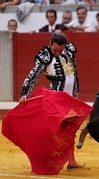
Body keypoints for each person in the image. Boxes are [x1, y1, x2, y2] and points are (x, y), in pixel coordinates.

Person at [19, 32, 82, 169]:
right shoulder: (45, 55)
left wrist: (76, 89)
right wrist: (25, 93)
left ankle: (71, 160)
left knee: (70, 129)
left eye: (60, 50)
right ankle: (49, 160)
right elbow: (32, 75)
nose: (58, 53)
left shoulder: (69, 49)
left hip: (70, 97)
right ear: (50, 43)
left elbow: (73, 71)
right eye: (55, 50)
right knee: (57, 131)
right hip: (56, 99)